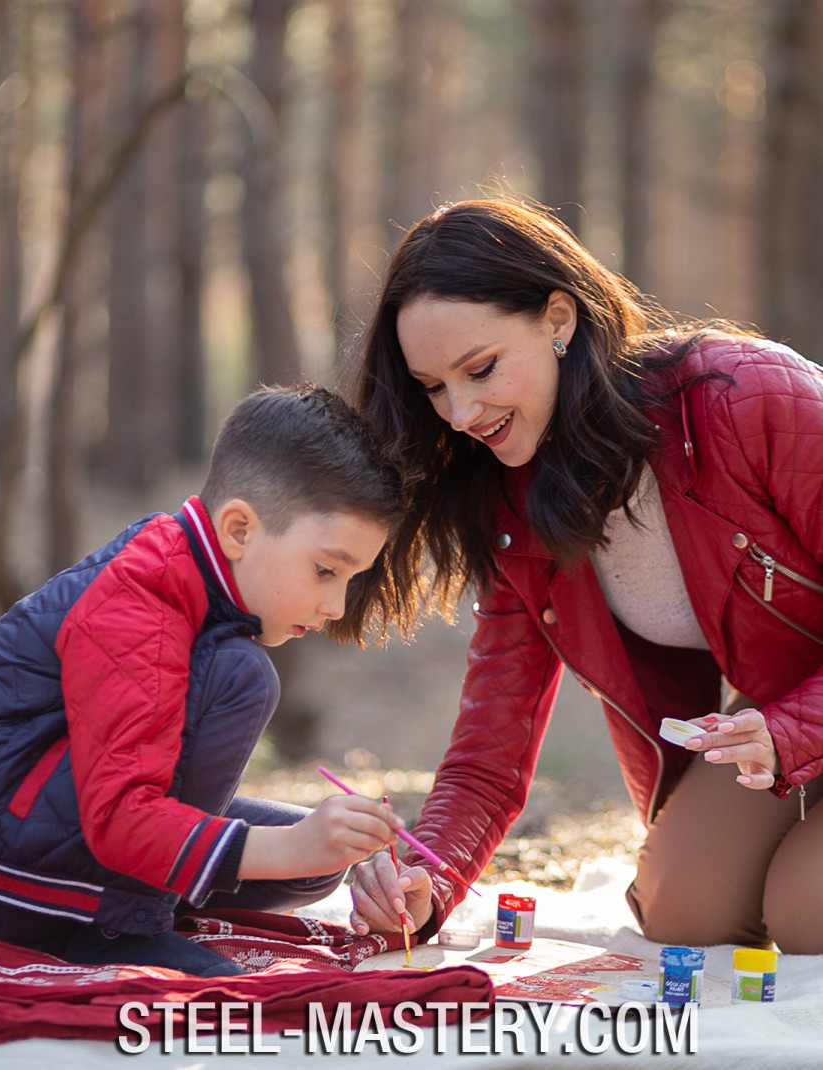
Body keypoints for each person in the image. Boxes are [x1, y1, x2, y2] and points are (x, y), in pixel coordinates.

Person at [346, 196, 823, 955]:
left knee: (808, 911)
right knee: (682, 913)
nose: (461, 411)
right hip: (776, 730)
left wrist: (794, 730)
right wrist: (426, 881)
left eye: (480, 368)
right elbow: (490, 750)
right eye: (434, 387)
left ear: (559, 319)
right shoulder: (513, 503)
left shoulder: (744, 396)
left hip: (796, 723)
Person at [0, 383, 406, 976]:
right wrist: (289, 845)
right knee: (244, 678)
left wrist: (319, 845)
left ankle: (141, 893)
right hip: (11, 861)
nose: (338, 605)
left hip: (63, 819)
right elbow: (120, 818)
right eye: (325, 570)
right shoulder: (139, 599)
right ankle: (113, 924)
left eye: (350, 579)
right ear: (239, 529)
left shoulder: (190, 576)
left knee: (318, 862)